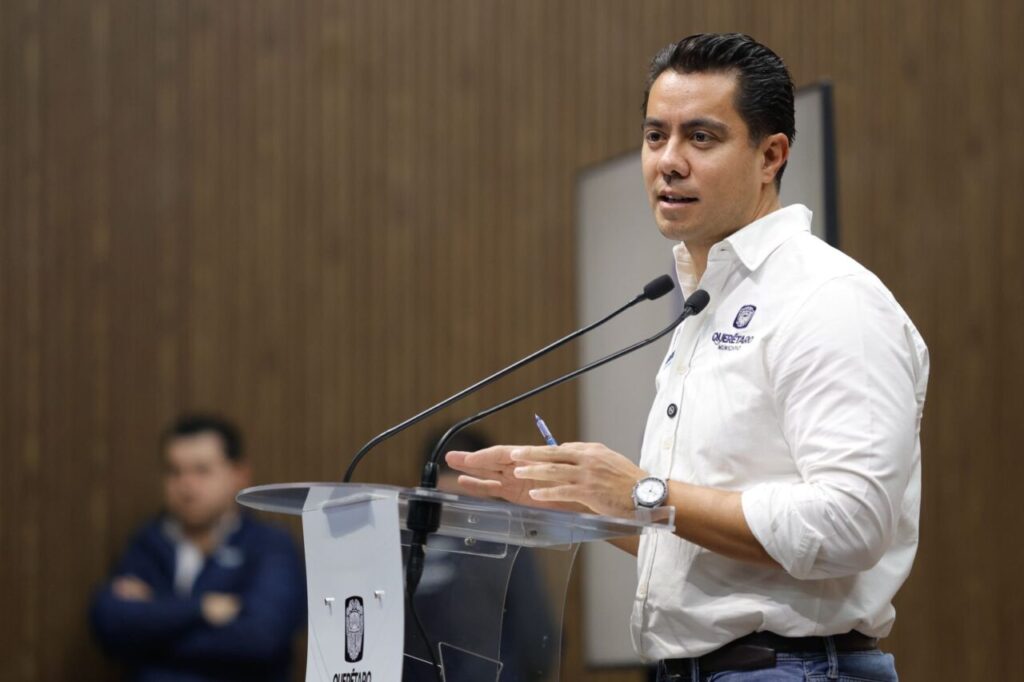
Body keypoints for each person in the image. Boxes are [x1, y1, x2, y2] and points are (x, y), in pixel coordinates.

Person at [446, 33, 929, 681]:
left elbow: (851, 524)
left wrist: (643, 491)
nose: (668, 162)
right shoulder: (706, 302)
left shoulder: (830, 299)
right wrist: (582, 502)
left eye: (701, 138)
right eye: (655, 136)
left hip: (793, 668)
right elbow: (700, 544)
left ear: (771, 156)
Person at [91, 414, 306, 682]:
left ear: (239, 474)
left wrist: (150, 628)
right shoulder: (149, 541)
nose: (186, 485)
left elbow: (261, 637)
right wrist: (201, 608)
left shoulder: (270, 545)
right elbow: (110, 624)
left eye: (202, 470)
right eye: (174, 471)